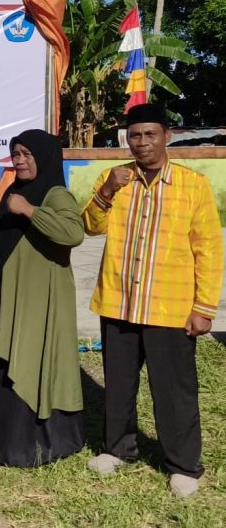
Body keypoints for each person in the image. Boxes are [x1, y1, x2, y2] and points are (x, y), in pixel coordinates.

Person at [84, 103, 223, 498]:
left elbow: (209, 250)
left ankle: (183, 465)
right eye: (135, 135)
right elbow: (90, 226)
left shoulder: (192, 185)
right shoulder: (114, 178)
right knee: (118, 384)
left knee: (175, 390)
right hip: (119, 302)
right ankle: (118, 449)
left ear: (167, 136)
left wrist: (203, 308)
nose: (142, 142)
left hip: (170, 308)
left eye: (150, 134)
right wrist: (107, 190)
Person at [0, 130, 84, 467]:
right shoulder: (13, 191)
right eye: (16, 154)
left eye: (27, 154)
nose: (19, 161)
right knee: (12, 358)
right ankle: (11, 443)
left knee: (34, 357)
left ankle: (40, 444)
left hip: (41, 298)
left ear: (45, 157)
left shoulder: (56, 195)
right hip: (12, 295)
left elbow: (73, 233)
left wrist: (30, 211)